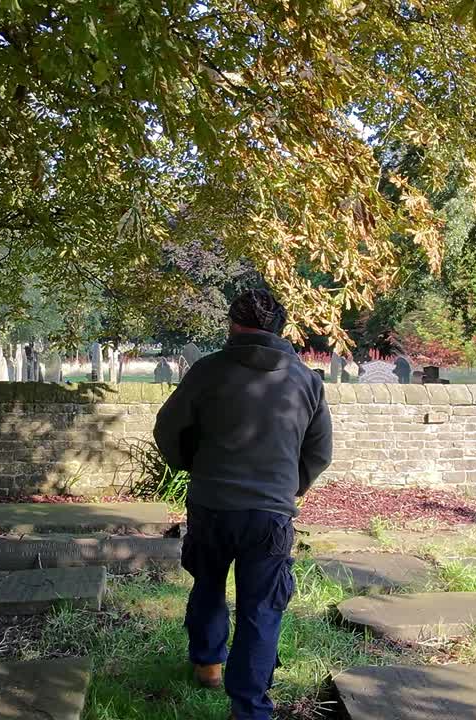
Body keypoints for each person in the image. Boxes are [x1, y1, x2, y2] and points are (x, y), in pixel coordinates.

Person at [154, 289, 334, 720]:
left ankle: (208, 663)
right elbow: (319, 451)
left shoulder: (207, 372)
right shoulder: (306, 380)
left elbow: (168, 430)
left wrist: (190, 465)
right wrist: (290, 489)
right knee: (261, 608)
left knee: (209, 585)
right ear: (280, 327)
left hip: (212, 504)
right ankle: (250, 708)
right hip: (270, 514)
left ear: (234, 324)